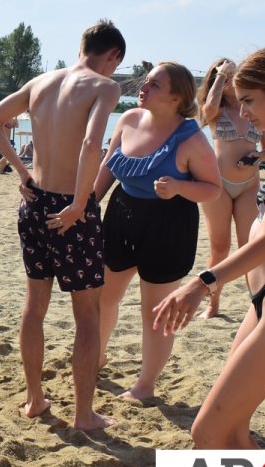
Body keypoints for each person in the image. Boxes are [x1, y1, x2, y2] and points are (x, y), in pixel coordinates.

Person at [153, 47, 265, 449]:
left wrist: (200, 284)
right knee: (233, 430)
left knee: (206, 432)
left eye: (249, 100)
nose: (245, 111)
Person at [0, 20, 126, 430]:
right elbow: (91, 143)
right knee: (87, 314)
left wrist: (22, 171)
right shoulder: (105, 87)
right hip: (70, 206)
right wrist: (80, 202)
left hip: (35, 201)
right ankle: (83, 414)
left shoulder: (41, 82)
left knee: (35, 305)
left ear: (83, 46)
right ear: (113, 56)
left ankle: (35, 399)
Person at [94, 62, 220, 401]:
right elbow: (108, 167)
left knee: (156, 311)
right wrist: (88, 205)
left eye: (154, 85)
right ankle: (96, 356)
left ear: (176, 98)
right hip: (121, 214)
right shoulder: (128, 119)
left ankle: (145, 385)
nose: (143, 88)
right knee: (104, 296)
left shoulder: (191, 139)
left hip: (168, 224)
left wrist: (179, 187)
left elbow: (213, 189)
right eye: (146, 82)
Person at [196, 57, 265, 318]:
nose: (231, 81)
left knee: (248, 247)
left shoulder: (254, 110)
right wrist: (221, 75)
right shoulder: (215, 109)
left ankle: (258, 305)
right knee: (220, 248)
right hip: (217, 184)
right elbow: (207, 110)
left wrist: (256, 157)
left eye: (234, 76)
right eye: (227, 78)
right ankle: (213, 304)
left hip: (249, 185)